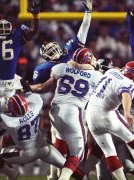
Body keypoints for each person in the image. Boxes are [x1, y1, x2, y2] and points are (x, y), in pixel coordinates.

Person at [0, 93, 85, 180]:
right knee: (69, 167)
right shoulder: (36, 105)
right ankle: (85, 178)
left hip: (27, 153)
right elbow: (30, 93)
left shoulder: (8, 121)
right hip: (46, 148)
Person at [31, 47, 102, 180]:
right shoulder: (97, 76)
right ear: (86, 60)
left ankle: (54, 175)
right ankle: (63, 178)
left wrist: (28, 88)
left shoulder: (61, 68)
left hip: (55, 111)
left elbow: (43, 87)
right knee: (77, 152)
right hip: (73, 111)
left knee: (60, 141)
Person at [85, 61, 134, 180]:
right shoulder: (128, 82)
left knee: (109, 153)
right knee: (130, 136)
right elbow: (125, 93)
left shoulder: (112, 72)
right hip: (107, 114)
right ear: (133, 76)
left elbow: (118, 69)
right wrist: (127, 113)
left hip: (90, 116)